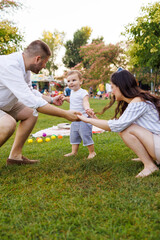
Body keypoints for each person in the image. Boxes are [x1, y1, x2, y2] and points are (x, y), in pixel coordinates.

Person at [0, 40, 80, 165]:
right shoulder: (10, 66)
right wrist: (65, 114)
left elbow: (30, 91)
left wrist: (52, 100)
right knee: (7, 123)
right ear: (37, 59)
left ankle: (15, 157)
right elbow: (32, 101)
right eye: (45, 62)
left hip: (4, 103)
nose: (44, 66)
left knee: (31, 113)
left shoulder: (24, 68)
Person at [77, 69, 160, 178]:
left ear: (120, 86)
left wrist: (88, 120)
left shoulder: (138, 101)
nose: (111, 91)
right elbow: (118, 123)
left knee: (127, 129)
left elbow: (117, 126)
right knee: (126, 127)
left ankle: (150, 165)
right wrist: (95, 119)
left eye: (112, 87)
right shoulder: (138, 100)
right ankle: (148, 158)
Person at [62, 70, 96, 159]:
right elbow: (73, 100)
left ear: (81, 81)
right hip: (74, 119)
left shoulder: (83, 92)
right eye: (68, 81)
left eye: (74, 80)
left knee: (86, 136)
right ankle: (74, 152)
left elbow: (85, 102)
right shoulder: (72, 92)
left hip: (83, 119)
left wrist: (87, 109)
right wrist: (66, 99)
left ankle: (92, 152)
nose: (71, 83)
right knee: (74, 137)